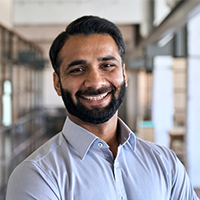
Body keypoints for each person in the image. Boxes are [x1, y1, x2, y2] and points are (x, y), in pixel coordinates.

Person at [6, 15, 199, 200]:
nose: (95, 83)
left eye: (107, 65)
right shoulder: (36, 176)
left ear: (123, 73)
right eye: (77, 70)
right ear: (57, 83)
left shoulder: (166, 163)